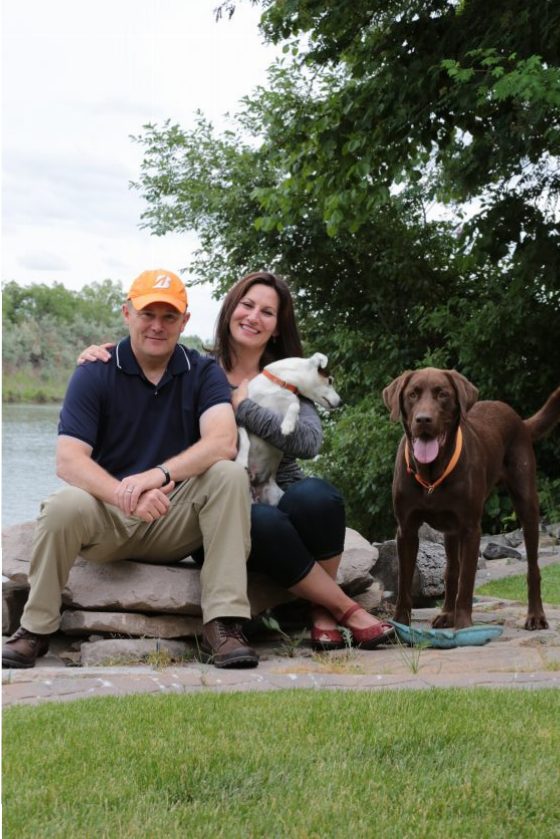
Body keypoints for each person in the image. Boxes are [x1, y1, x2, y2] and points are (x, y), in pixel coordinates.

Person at [74, 271, 394, 650]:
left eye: (267, 312)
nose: (253, 317)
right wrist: (105, 356)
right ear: (229, 311)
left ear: (277, 327)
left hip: (276, 490)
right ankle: (344, 607)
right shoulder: (194, 368)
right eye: (246, 305)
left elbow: (308, 442)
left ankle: (319, 613)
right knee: (262, 521)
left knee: (318, 497)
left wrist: (244, 407)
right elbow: (145, 361)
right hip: (215, 508)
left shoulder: (287, 378)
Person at [2, 269, 259, 671]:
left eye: (169, 316)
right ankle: (35, 630)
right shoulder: (94, 371)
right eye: (147, 314)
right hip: (109, 517)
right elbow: (68, 460)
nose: (157, 325)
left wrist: (157, 476)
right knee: (62, 506)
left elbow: (223, 441)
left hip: (172, 517)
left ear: (185, 321)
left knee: (228, 475)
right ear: (127, 313)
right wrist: (124, 494)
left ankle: (223, 625)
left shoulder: (203, 371)